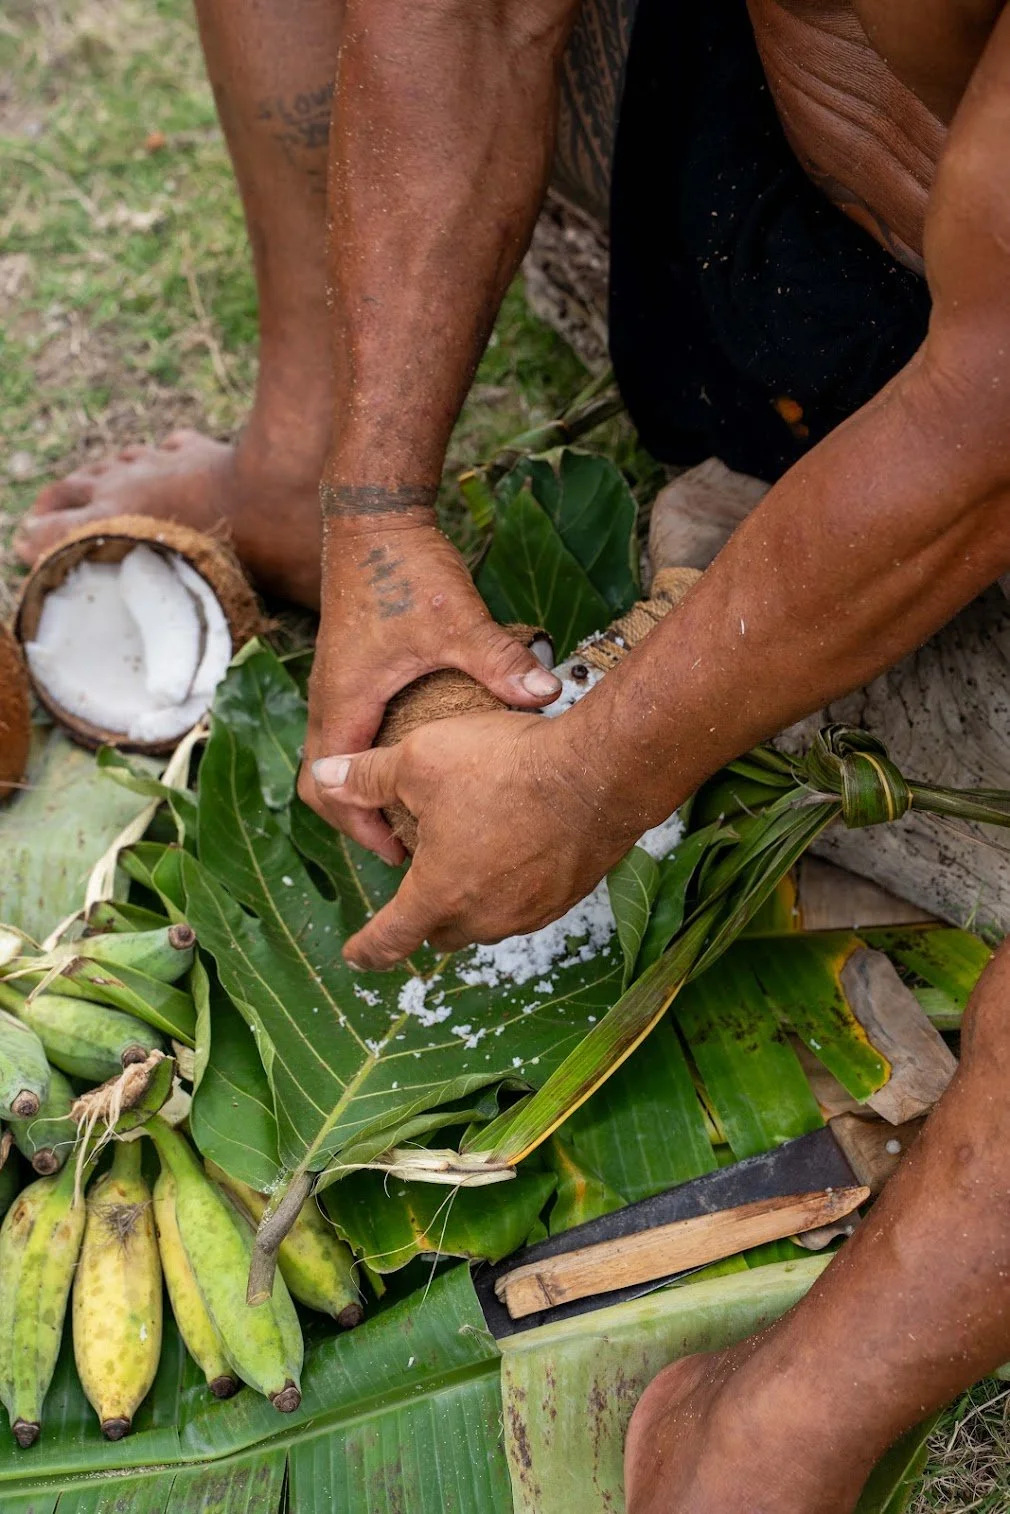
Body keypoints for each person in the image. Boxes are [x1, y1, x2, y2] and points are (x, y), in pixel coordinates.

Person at [14, 4, 1010, 1506]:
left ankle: (768, 1432)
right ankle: (291, 465)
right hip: (791, 226)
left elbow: (994, 402)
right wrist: (373, 512)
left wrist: (603, 769)